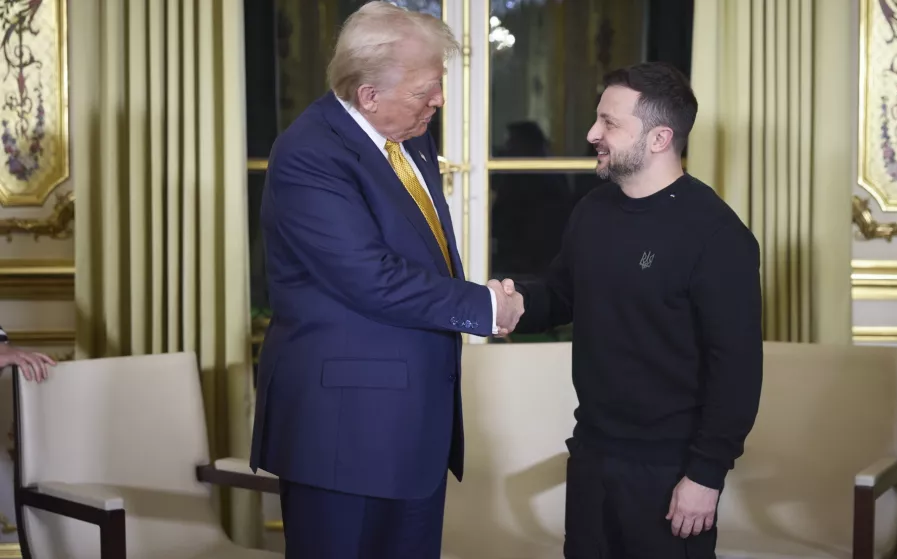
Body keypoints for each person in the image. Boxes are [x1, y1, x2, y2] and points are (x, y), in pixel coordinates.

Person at [248, 3, 523, 557]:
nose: (439, 100)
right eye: (426, 90)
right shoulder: (309, 153)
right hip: (343, 432)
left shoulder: (409, 135)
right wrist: (484, 307)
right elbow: (369, 276)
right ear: (369, 95)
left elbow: (420, 254)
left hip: (413, 429)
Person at [501, 62, 763, 558]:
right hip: (591, 453)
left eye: (609, 123)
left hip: (671, 470)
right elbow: (561, 295)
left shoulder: (718, 236)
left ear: (660, 138)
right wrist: (514, 304)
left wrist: (706, 475)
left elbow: (737, 370)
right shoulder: (592, 210)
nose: (592, 134)